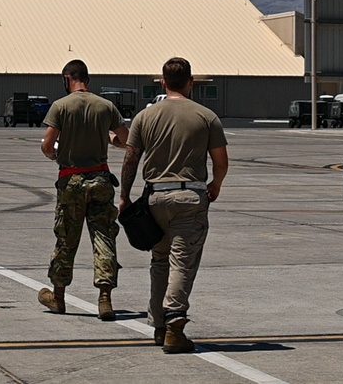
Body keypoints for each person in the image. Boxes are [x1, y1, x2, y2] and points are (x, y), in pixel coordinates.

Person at [120, 57, 228, 354]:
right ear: (191, 82)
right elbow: (221, 161)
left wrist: (124, 196)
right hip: (189, 198)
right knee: (182, 261)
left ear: (163, 82)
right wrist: (216, 184)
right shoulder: (206, 116)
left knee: (159, 260)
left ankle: (158, 325)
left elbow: (131, 159)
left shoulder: (145, 117)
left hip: (155, 198)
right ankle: (175, 325)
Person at [38, 59, 129, 321]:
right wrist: (108, 138)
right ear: (87, 79)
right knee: (103, 237)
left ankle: (58, 296)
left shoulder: (61, 106)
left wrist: (56, 155)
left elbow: (48, 146)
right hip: (100, 179)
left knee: (67, 238)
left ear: (68, 79)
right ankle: (105, 299)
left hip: (72, 181)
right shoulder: (105, 106)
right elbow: (125, 139)